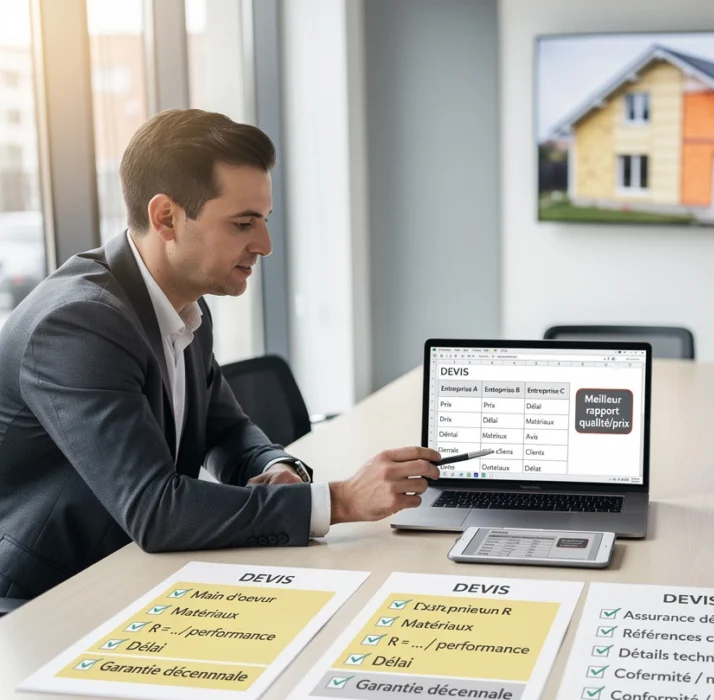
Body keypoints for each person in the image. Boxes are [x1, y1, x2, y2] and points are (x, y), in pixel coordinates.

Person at [0, 109, 440, 601]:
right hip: (46, 598)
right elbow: (156, 510)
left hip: (135, 571)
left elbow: (225, 429)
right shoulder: (79, 324)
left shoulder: (183, 302)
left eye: (264, 221)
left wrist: (279, 469)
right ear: (166, 218)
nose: (265, 245)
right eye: (243, 223)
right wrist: (340, 501)